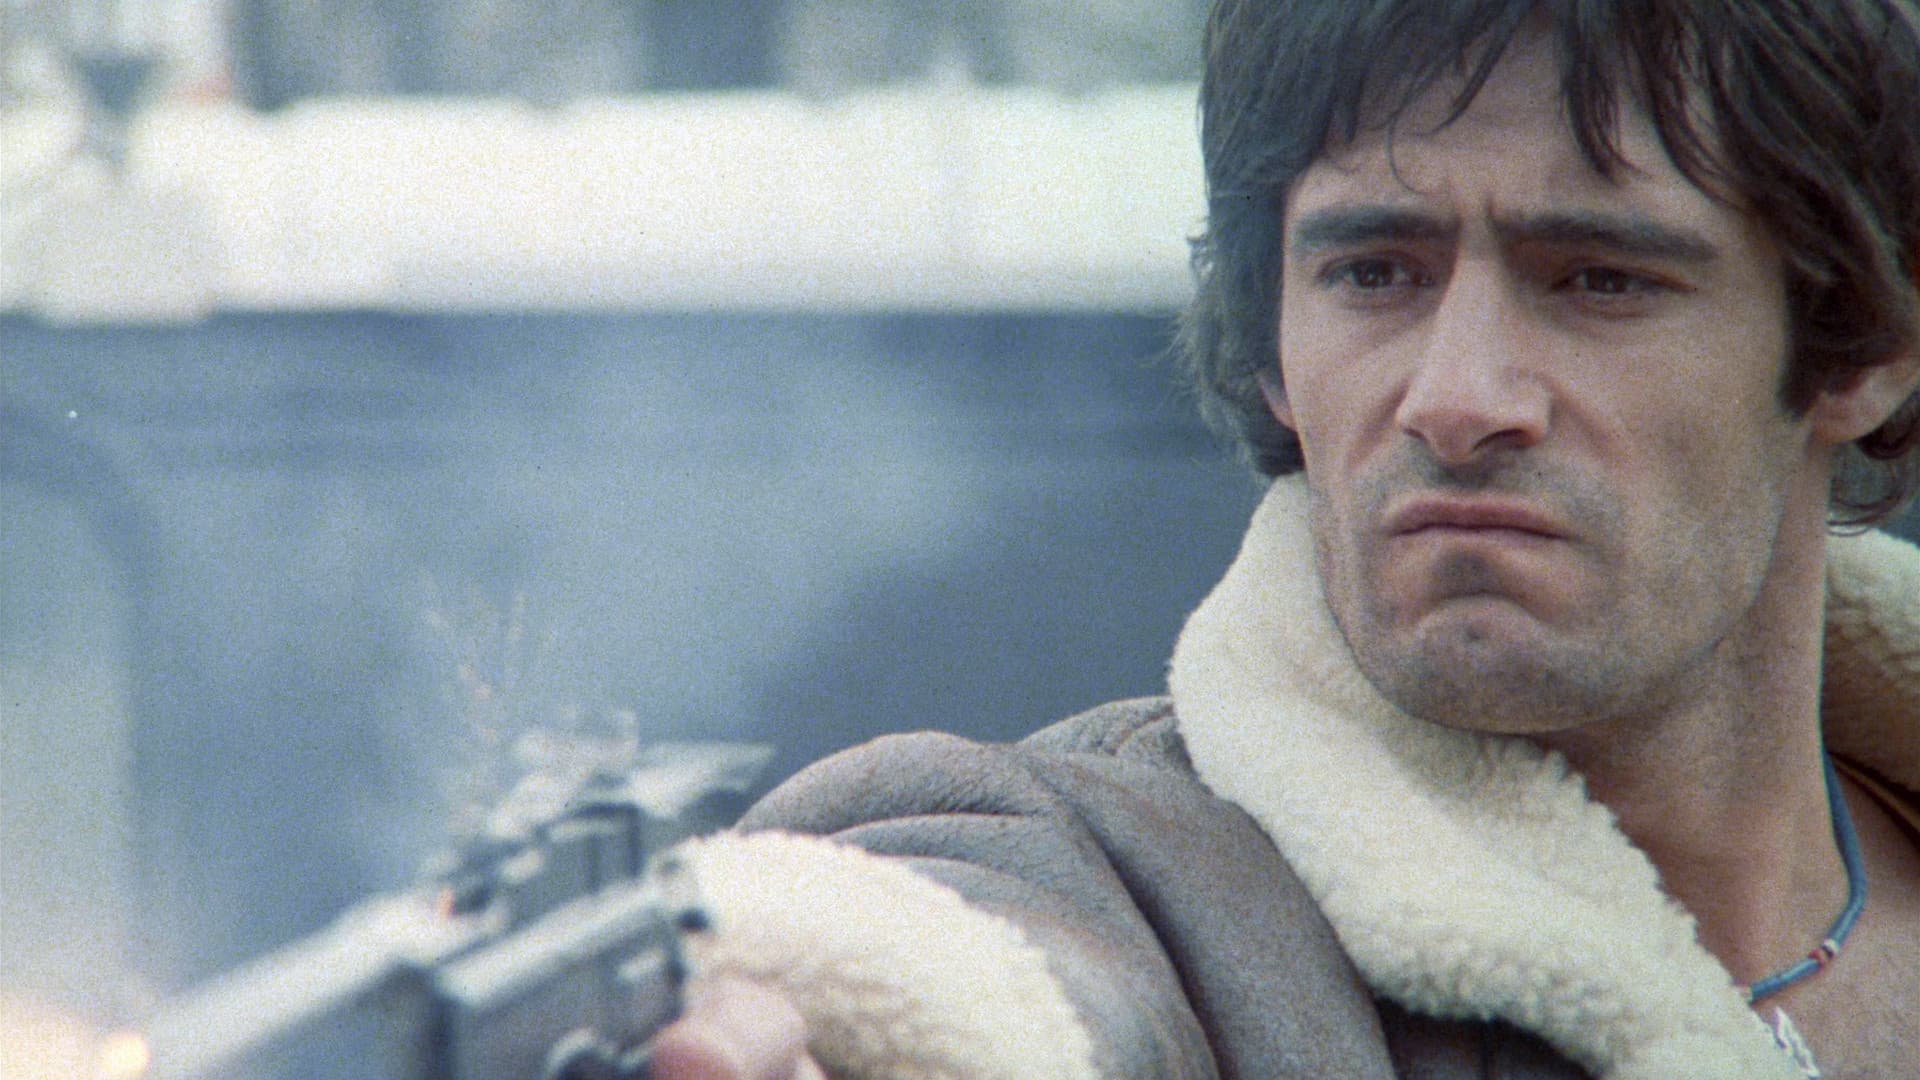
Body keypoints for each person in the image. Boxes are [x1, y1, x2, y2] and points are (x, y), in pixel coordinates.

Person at [643, 1, 1920, 1076]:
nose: (1455, 397)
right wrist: (762, 1013)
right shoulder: (1121, 872)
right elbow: (934, 958)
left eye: (1602, 278)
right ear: (1272, 351)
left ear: (1863, 347)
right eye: (1374, 273)